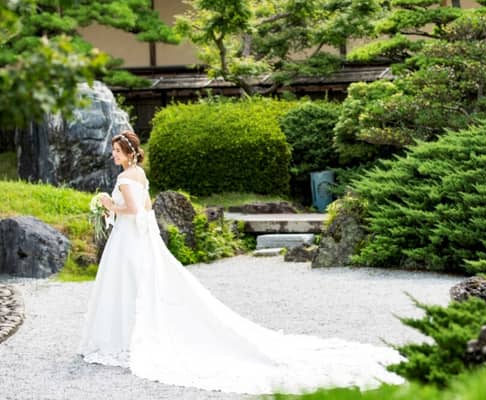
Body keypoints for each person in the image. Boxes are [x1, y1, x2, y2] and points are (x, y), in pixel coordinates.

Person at [78, 130, 404, 394]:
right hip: (134, 239)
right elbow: (148, 209)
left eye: (117, 152)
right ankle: (127, 335)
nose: (113, 156)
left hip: (128, 240)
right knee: (134, 287)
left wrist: (108, 203)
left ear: (129, 153)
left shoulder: (124, 180)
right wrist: (112, 210)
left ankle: (123, 338)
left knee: (125, 287)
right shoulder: (140, 174)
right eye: (114, 152)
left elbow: (136, 211)